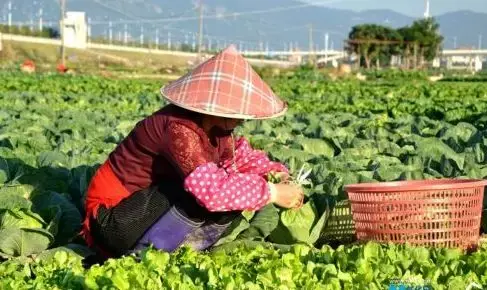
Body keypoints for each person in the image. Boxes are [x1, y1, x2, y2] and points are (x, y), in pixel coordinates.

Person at [81, 45, 305, 258]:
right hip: (114, 220)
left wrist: (277, 174)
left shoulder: (217, 129)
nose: (242, 118)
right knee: (206, 191)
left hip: (143, 211)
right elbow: (212, 191)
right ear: (213, 106)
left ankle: (180, 251)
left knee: (235, 189)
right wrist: (272, 193)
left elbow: (242, 159)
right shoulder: (179, 129)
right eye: (237, 111)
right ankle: (143, 257)